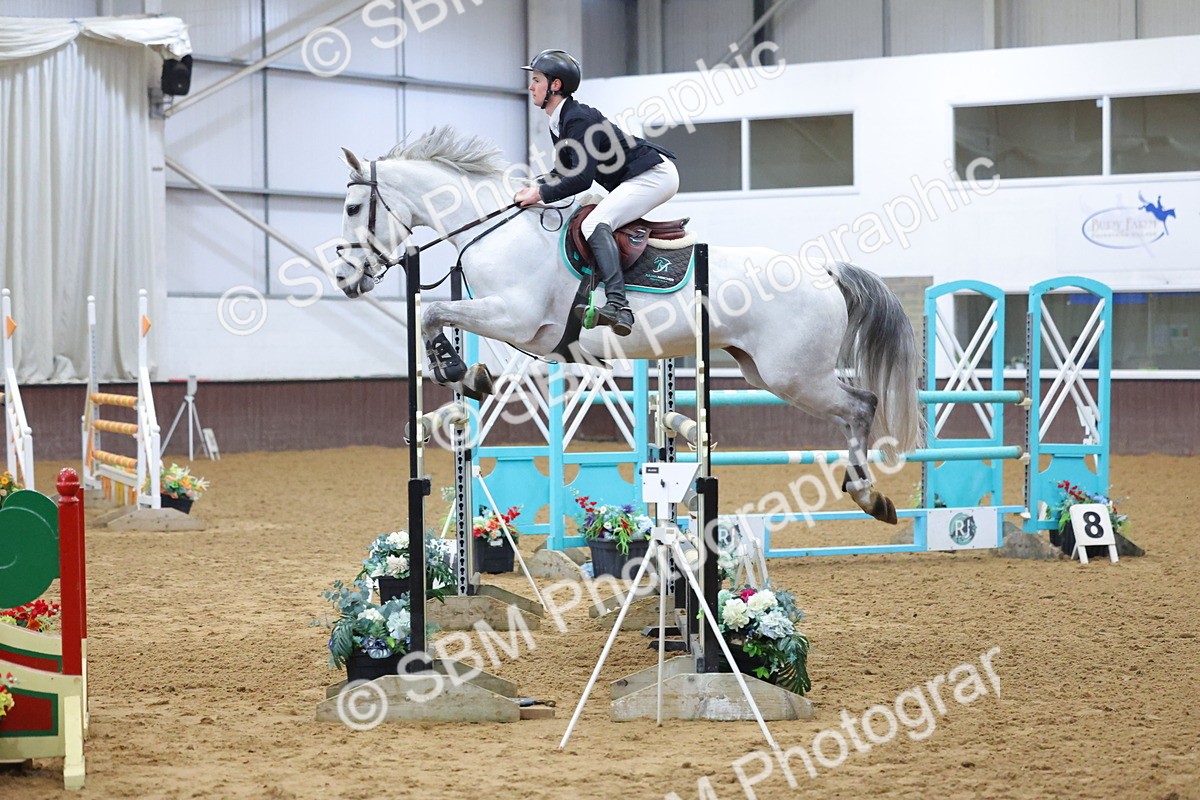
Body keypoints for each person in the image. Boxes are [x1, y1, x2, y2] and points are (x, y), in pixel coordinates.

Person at [513, 49, 679, 336]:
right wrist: (530, 186)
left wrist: (539, 194)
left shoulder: (578, 119)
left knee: (593, 223)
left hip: (653, 176)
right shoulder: (560, 120)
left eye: (537, 80)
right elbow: (564, 170)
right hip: (638, 177)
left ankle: (618, 306)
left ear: (555, 85)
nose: (531, 87)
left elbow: (581, 179)